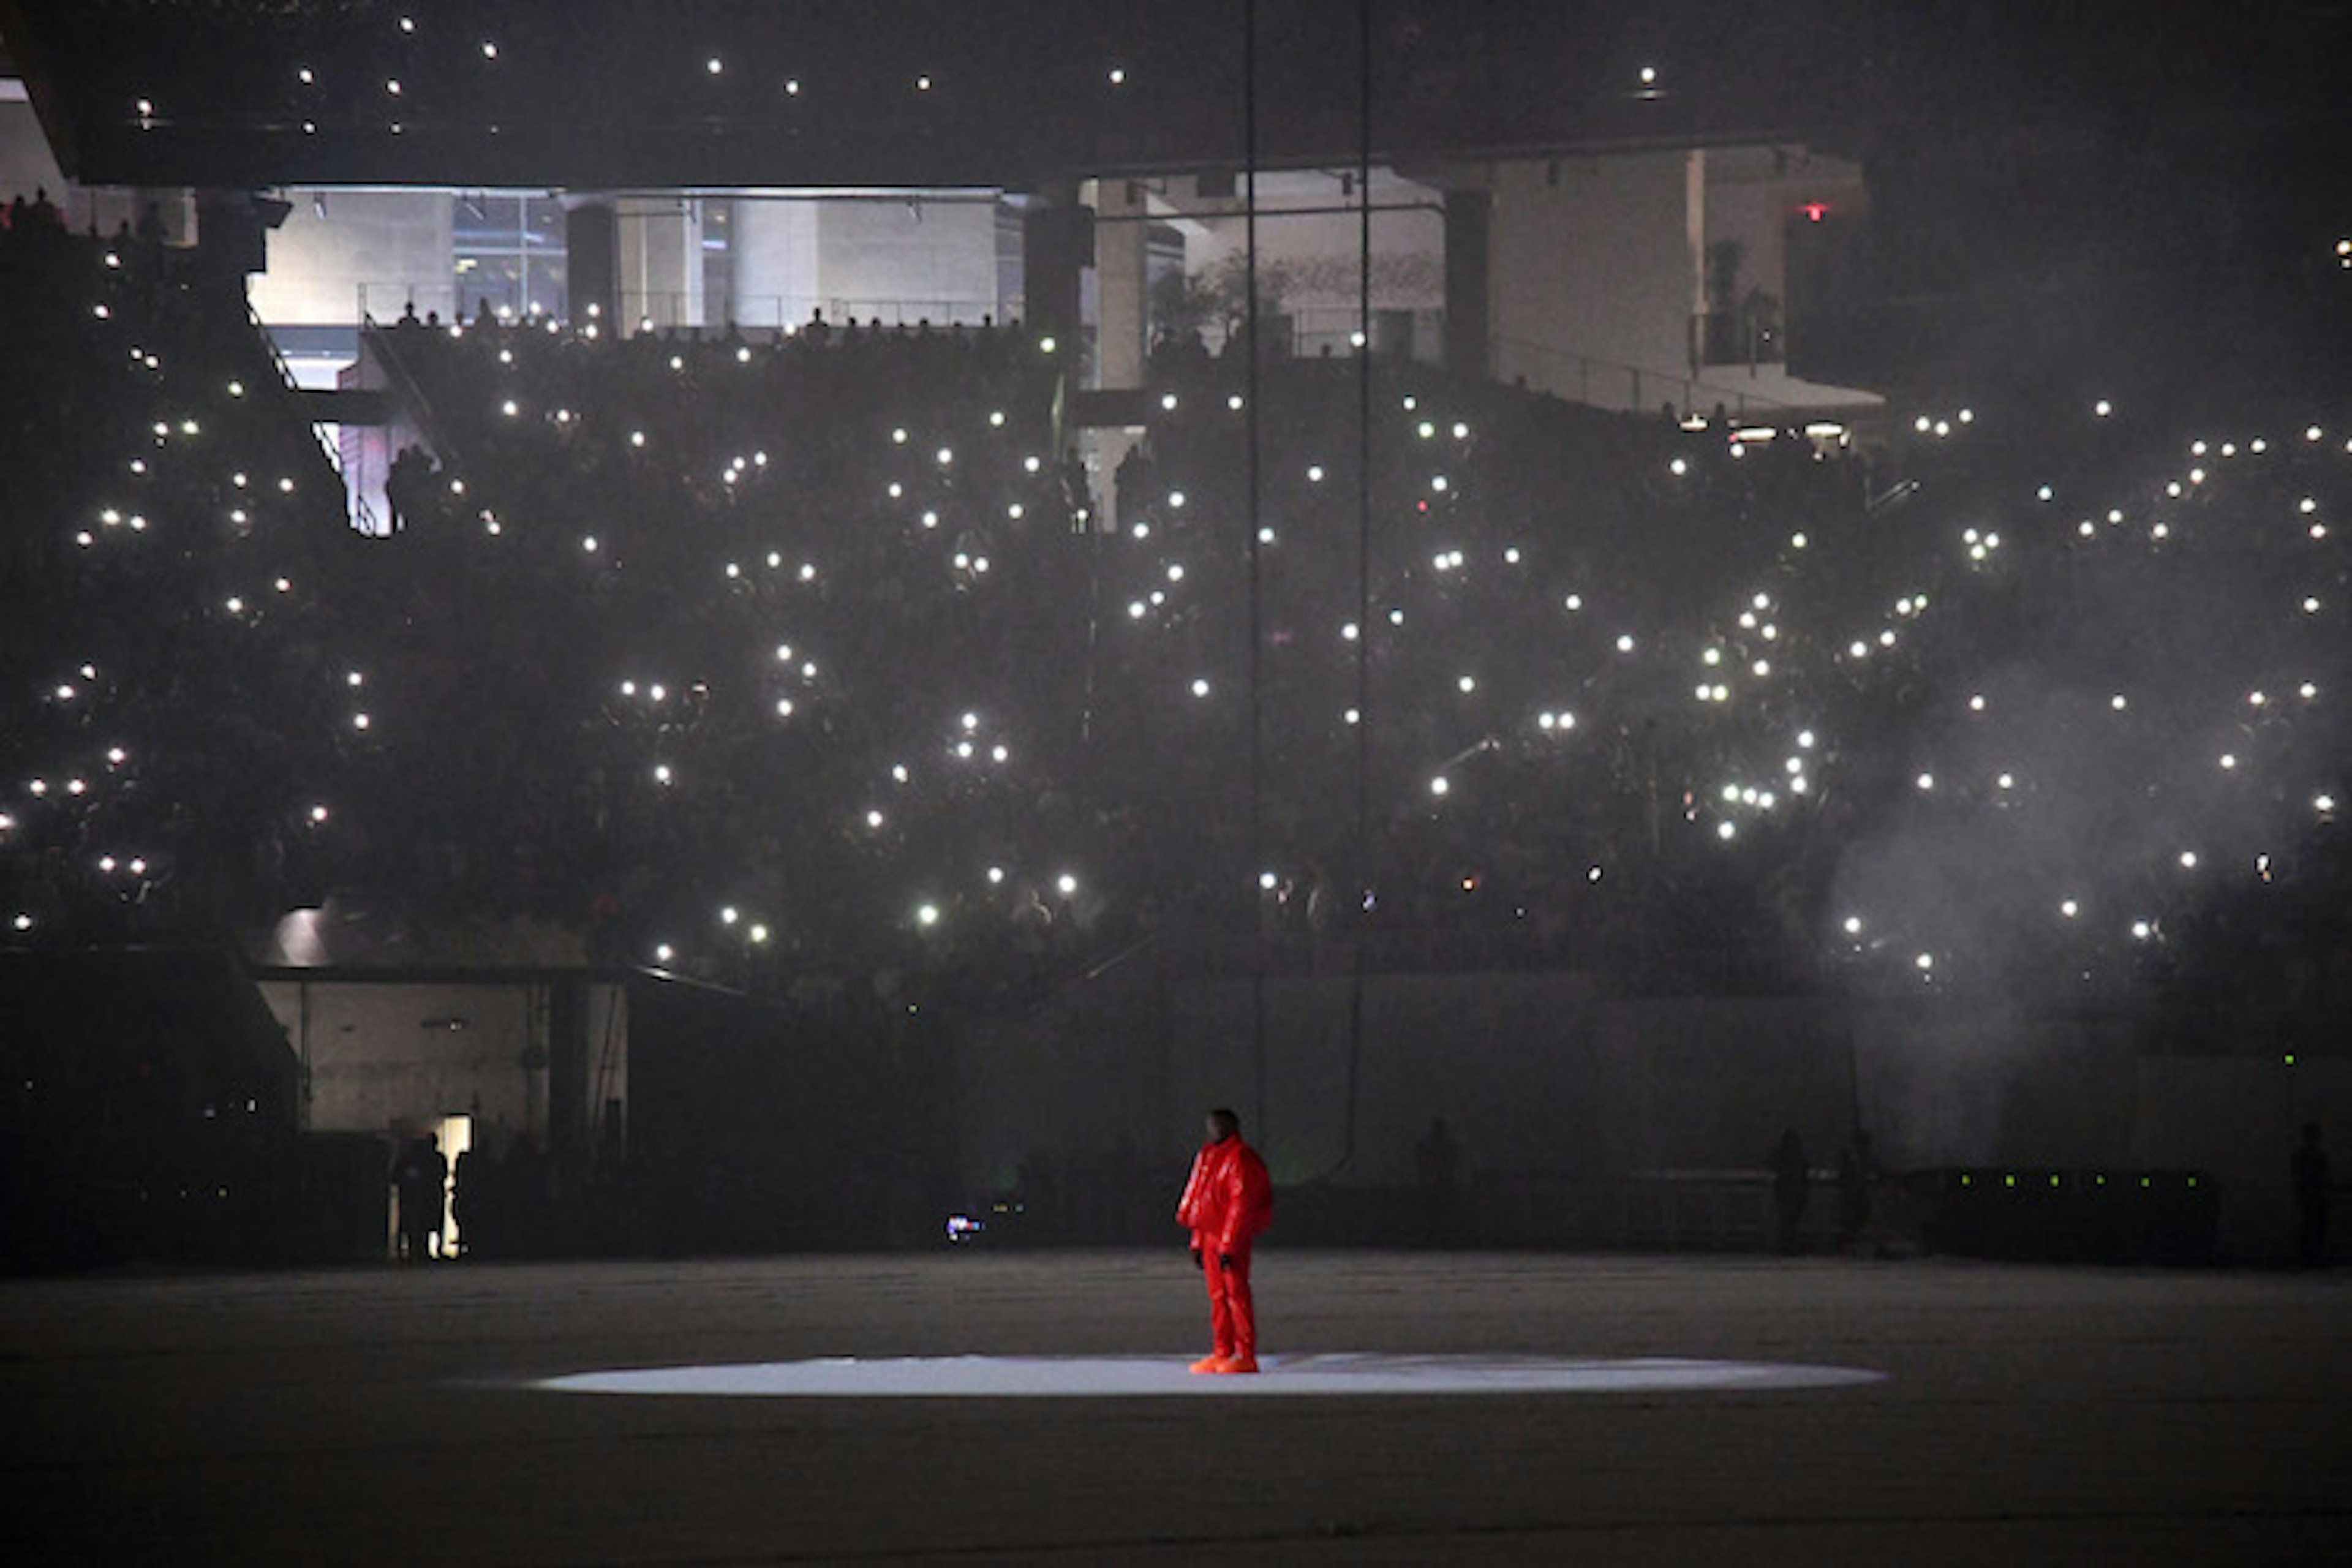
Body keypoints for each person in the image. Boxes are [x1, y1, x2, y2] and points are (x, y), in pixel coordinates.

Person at [1175, 1106, 1273, 1374]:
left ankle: (1245, 1353)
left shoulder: (1240, 1158)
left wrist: (1229, 1244)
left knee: (1236, 1295)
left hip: (1230, 1237)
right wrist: (1197, 1241)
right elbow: (1203, 1204)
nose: (1213, 1131)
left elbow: (1240, 1205)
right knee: (1218, 1296)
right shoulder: (1209, 1156)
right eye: (1211, 1126)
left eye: (1218, 1126)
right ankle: (1223, 1351)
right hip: (1211, 1235)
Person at [2291, 1122, 2330, 1268]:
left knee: (2315, 1228)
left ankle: (2312, 1257)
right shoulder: (2309, 1156)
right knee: (2310, 1228)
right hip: (2310, 1196)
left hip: (2314, 1196)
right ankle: (2309, 1257)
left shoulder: (2313, 1156)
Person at [1769, 1128, 1810, 1254]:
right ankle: (1790, 1245)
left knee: (1789, 1221)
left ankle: (1788, 1245)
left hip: (1789, 1192)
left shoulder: (1783, 1155)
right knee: (1790, 1221)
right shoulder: (1799, 1156)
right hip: (1793, 1192)